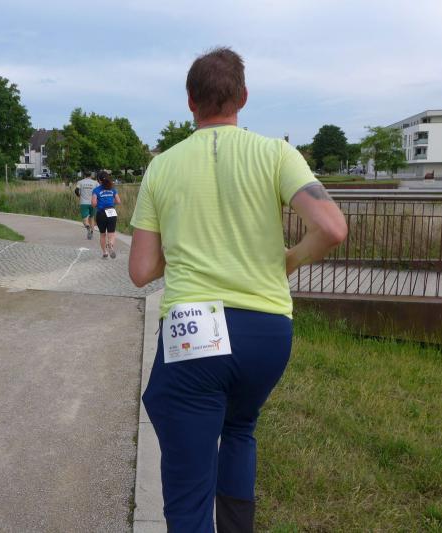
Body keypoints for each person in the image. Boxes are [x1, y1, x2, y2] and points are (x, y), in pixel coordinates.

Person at [128, 47, 347, 532]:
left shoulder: (162, 167)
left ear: (190, 102)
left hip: (194, 334)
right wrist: (286, 262)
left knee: (188, 482)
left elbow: (141, 271)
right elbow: (332, 228)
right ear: (243, 97)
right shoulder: (276, 154)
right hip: (265, 332)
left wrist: (182, 244)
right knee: (240, 428)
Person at [91, 171, 121, 259]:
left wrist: (99, 204)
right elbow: (118, 201)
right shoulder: (113, 189)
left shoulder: (96, 190)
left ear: (99, 180)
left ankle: (105, 253)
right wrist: (111, 203)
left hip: (101, 213)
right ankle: (110, 245)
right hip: (112, 212)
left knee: (102, 234)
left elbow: (93, 203)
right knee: (111, 233)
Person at [75, 172, 99, 239]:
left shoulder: (80, 182)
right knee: (92, 218)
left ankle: (87, 227)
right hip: (93, 202)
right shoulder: (95, 182)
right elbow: (99, 191)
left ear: (84, 175)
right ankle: (92, 232)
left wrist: (79, 196)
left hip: (84, 203)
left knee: (85, 219)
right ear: (91, 175)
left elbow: (76, 190)